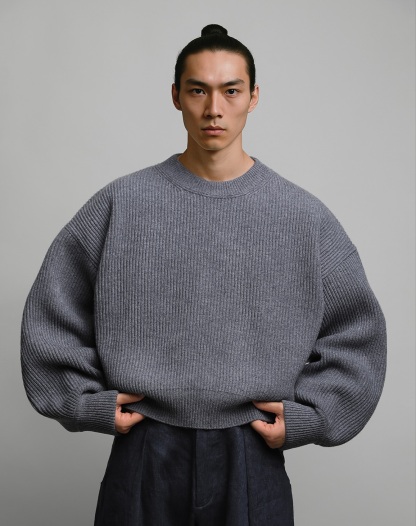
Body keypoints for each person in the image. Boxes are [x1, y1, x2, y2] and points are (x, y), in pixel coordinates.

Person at [21, 24, 387, 525]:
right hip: (144, 447)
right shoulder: (122, 203)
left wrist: (313, 415)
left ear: (253, 97)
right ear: (176, 96)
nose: (214, 108)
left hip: (251, 452)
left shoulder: (303, 217)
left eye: (231, 91)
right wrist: (83, 402)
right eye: (198, 90)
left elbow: (358, 333)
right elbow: (52, 310)